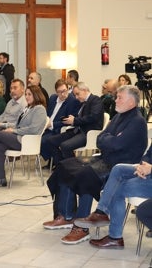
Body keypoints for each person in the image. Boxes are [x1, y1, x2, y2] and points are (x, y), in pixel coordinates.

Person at [43, 85, 148, 246]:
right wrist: (110, 139)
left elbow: (117, 143)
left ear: (132, 102)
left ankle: (81, 228)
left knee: (86, 175)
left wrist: (109, 139)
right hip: (105, 159)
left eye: (120, 97)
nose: (116, 100)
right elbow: (101, 138)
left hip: (119, 166)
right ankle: (66, 216)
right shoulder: (119, 116)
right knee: (65, 166)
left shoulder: (137, 121)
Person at [74, 146, 152, 250]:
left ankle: (114, 237)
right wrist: (142, 166)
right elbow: (148, 154)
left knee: (117, 188)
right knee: (118, 169)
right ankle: (101, 212)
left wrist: (150, 169)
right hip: (148, 173)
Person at [46, 82, 104, 166]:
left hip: (88, 132)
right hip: (77, 130)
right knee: (51, 141)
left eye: (77, 94)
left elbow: (93, 117)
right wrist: (71, 120)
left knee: (65, 146)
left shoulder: (95, 100)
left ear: (84, 90)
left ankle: (73, 169)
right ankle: (61, 166)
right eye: (75, 95)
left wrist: (74, 120)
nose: (76, 97)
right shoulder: (82, 102)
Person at [41, 79, 80, 169]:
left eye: (64, 91)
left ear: (68, 89)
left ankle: (58, 162)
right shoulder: (52, 98)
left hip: (58, 129)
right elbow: (48, 114)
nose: (63, 94)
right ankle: (53, 160)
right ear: (56, 92)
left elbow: (67, 121)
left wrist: (52, 124)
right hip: (46, 126)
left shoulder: (72, 101)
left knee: (44, 141)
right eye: (59, 92)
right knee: (35, 138)